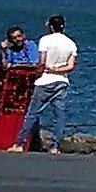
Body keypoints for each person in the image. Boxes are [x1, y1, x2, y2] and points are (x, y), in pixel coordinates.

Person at [23, 15, 78, 153]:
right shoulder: (71, 43)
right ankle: (55, 146)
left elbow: (42, 61)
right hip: (62, 80)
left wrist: (40, 73)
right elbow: (70, 66)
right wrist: (57, 70)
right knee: (59, 115)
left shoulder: (45, 40)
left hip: (45, 80)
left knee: (33, 113)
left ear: (50, 26)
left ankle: (20, 142)